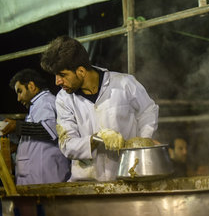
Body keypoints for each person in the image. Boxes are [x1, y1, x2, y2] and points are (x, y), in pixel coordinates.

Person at [40, 36, 159, 182]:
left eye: (62, 75)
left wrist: (143, 141)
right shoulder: (63, 99)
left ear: (81, 71)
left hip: (128, 175)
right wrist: (96, 139)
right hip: (86, 182)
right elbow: (67, 143)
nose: (57, 81)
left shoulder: (124, 84)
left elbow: (148, 111)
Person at [0, 69, 70, 185]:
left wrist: (16, 126)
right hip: (36, 178)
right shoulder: (36, 106)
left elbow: (49, 130)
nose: (18, 98)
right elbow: (36, 143)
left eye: (20, 91)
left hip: (46, 178)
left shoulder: (46, 101)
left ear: (31, 86)